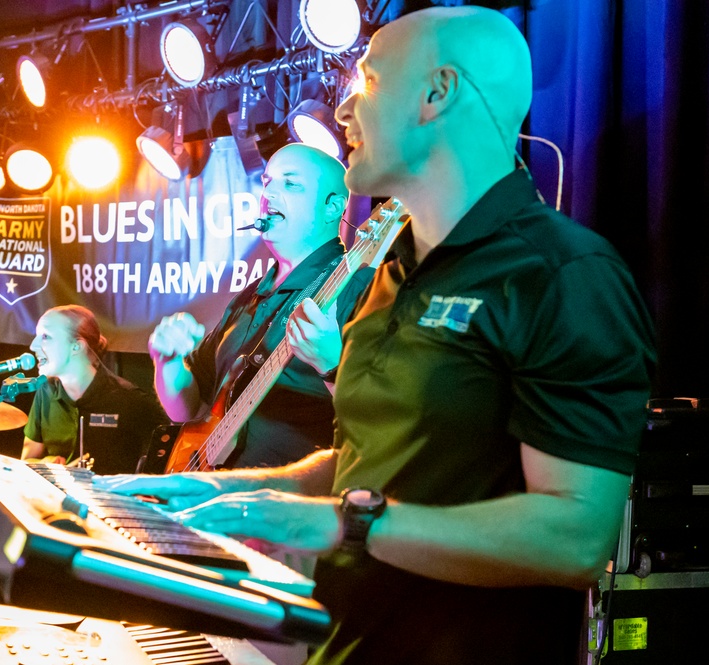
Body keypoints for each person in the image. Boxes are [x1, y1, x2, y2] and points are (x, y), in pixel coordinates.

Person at [98, 6, 657, 665]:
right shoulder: (387, 272)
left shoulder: (561, 274)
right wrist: (222, 491)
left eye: (365, 82)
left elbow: (574, 537)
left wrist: (342, 523)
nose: (340, 113)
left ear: (435, 94)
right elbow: (367, 461)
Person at [148, 143, 374, 470]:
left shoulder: (361, 288)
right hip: (210, 500)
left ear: (332, 207)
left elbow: (386, 419)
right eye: (267, 182)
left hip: (289, 508)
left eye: (291, 184)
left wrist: (333, 365)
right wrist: (166, 364)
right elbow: (190, 410)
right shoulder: (248, 297)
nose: (269, 194)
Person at [22, 305, 168, 475]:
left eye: (45, 336)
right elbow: (27, 460)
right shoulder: (45, 392)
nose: (33, 346)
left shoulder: (130, 400)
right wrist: (46, 464)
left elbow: (163, 466)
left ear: (76, 347)